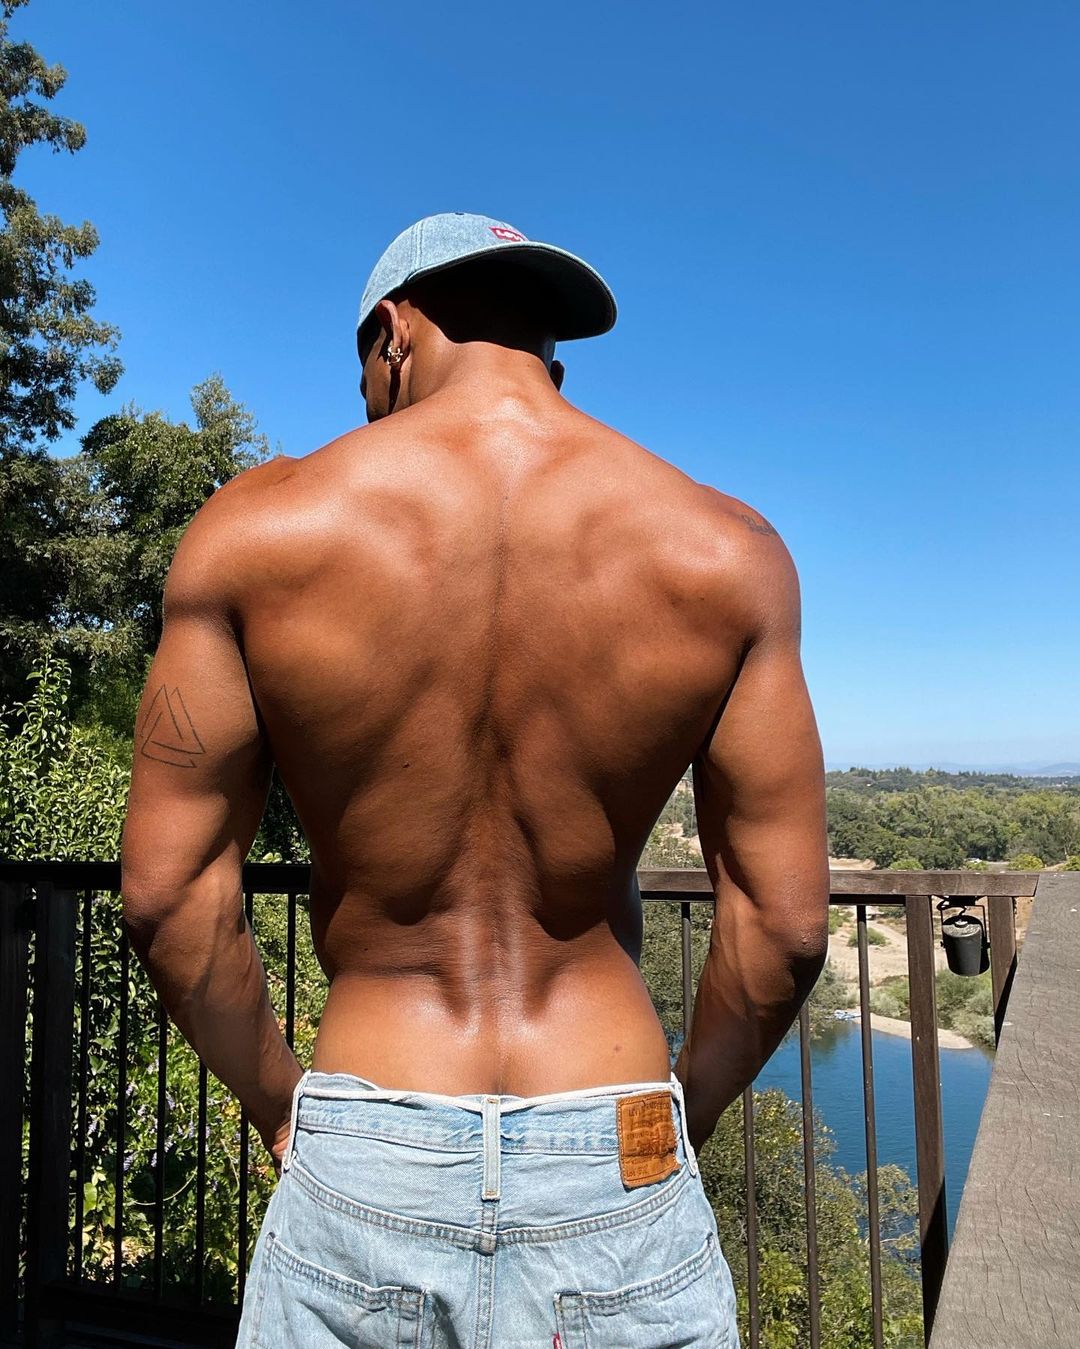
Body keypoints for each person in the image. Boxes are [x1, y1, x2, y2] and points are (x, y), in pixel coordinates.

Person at [121, 211, 829, 1348]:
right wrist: (667, 1126)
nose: (366, 403)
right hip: (613, 1130)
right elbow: (785, 930)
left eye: (363, 375)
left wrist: (284, 1109)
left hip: (369, 1134)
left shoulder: (253, 533)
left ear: (393, 336)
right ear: (550, 355)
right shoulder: (728, 550)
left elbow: (167, 898)